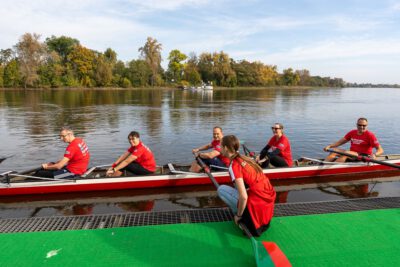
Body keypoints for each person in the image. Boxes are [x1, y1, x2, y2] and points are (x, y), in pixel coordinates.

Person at [217, 135, 276, 237]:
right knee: (239, 187)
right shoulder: (246, 158)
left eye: (220, 146)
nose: (219, 148)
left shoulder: (234, 165)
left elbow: (244, 196)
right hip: (266, 201)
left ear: (226, 148)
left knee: (221, 189)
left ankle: (241, 215)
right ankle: (243, 211)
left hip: (255, 204)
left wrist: (238, 216)